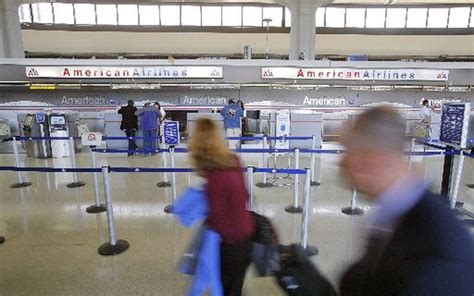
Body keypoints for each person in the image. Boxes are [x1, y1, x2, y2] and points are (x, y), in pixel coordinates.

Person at [336, 106, 474, 295]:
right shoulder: (394, 214)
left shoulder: (435, 254)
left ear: (371, 158)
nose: (341, 162)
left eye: (347, 151)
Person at [188, 118, 255, 296]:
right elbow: (246, 195)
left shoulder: (215, 175)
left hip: (231, 243)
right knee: (235, 283)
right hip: (246, 232)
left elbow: (218, 220)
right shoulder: (233, 159)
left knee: (227, 287)